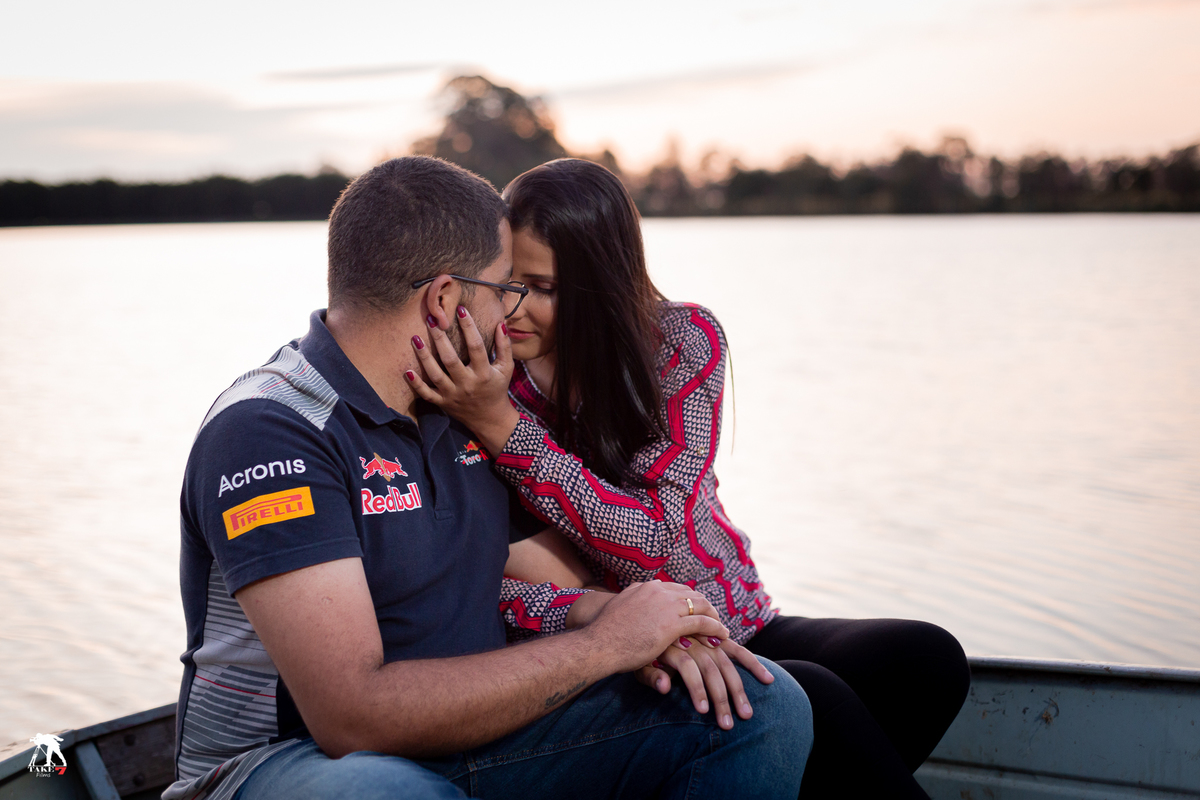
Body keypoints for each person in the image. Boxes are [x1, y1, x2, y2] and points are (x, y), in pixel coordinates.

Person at [164, 156, 815, 800]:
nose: (513, 313)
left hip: (479, 734)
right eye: (506, 288)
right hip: (291, 760)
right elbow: (351, 719)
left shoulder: (461, 405)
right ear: (445, 299)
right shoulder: (273, 431)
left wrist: (646, 626)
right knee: (388, 792)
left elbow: (551, 579)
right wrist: (605, 647)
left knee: (762, 706)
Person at [406, 158, 971, 799]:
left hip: (732, 613)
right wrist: (493, 414)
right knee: (811, 696)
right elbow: (482, 577)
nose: (515, 310)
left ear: (599, 283)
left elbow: (658, 540)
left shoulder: (679, 342)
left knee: (925, 661)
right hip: (611, 644)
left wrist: (507, 430)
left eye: (546, 288)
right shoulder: (477, 383)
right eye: (509, 283)